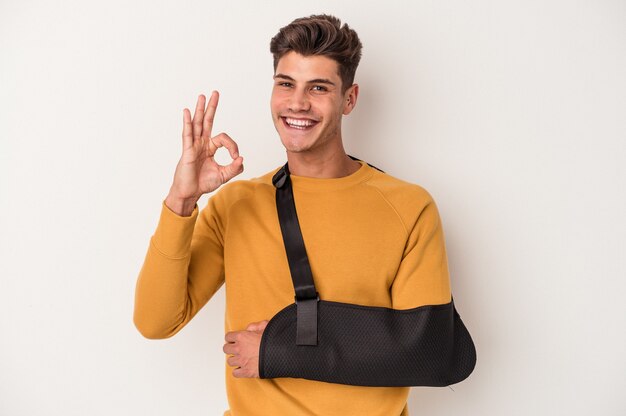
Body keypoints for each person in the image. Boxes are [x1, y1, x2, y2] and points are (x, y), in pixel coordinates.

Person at [134, 14, 452, 416]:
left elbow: (430, 351)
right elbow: (155, 322)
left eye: (318, 88)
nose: (297, 103)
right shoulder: (236, 206)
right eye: (286, 84)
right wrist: (180, 202)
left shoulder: (408, 207)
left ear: (349, 99)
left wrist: (280, 350)